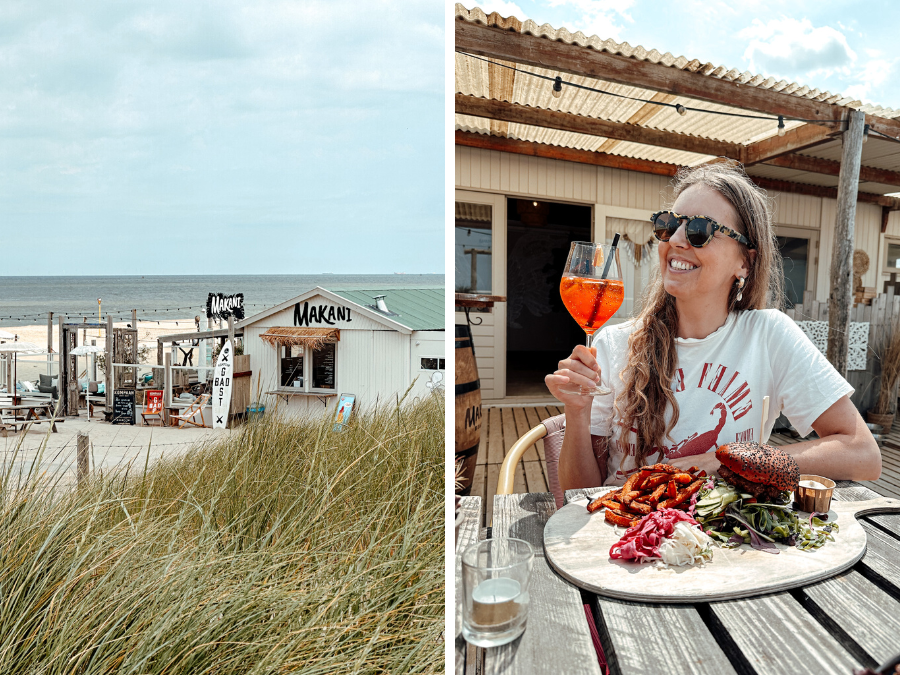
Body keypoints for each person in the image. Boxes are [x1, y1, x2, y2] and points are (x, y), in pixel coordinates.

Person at [546, 163, 881, 490]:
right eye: (669, 224)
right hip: (621, 534)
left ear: (745, 262)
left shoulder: (767, 337)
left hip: (720, 536)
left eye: (699, 230)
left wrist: (725, 461)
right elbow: (580, 494)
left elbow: (862, 453)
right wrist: (576, 413)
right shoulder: (614, 343)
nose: (676, 239)